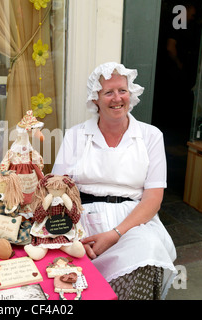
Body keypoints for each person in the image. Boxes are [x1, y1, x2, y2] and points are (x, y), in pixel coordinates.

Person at [52, 62, 177, 300]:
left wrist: (115, 234)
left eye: (122, 90)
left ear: (131, 94)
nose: (117, 98)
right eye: (108, 92)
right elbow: (59, 191)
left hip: (133, 222)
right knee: (70, 274)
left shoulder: (150, 136)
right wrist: (74, 236)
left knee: (146, 251)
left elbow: (153, 198)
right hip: (83, 219)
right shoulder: (76, 136)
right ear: (95, 99)